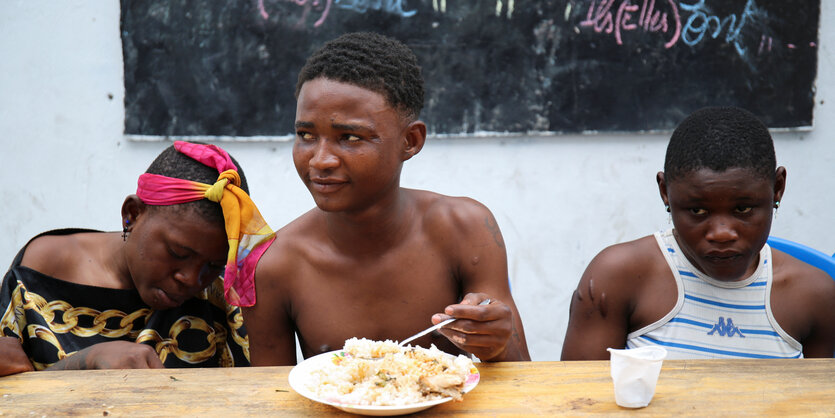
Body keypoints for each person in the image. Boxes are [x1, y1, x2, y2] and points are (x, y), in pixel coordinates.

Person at [242, 32, 530, 365]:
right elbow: (273, 397)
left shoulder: (464, 229)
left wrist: (496, 344)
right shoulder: (274, 265)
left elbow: (521, 375)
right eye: (306, 135)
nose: (320, 159)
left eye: (349, 137)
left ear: (410, 140)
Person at [561, 106, 835, 360]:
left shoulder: (814, 296)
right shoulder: (618, 277)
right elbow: (577, 399)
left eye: (743, 209)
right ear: (665, 192)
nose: (722, 233)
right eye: (698, 212)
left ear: (777, 188)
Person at [0, 141, 275, 374]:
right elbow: (12, 389)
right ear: (131, 214)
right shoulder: (43, 271)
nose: (191, 279)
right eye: (178, 253)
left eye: (214, 265)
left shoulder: (223, 294)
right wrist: (86, 361)